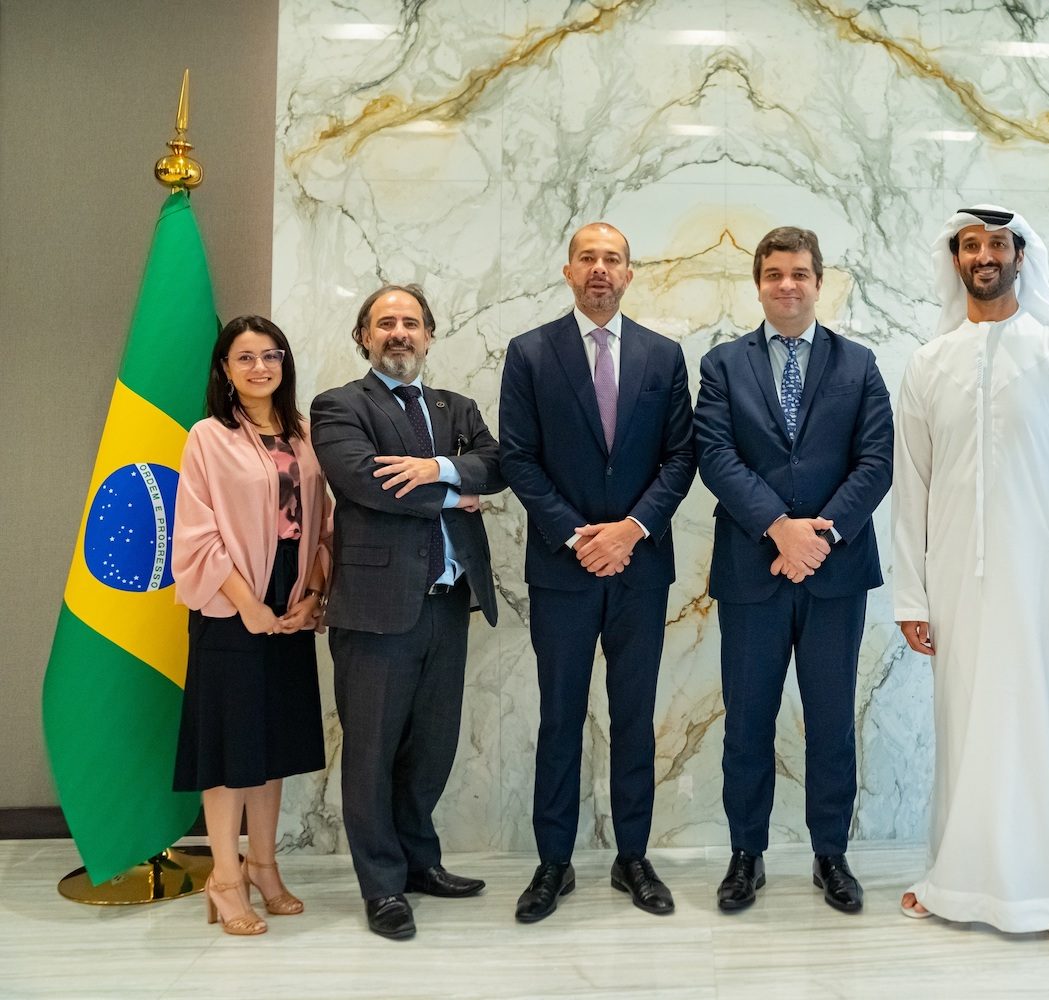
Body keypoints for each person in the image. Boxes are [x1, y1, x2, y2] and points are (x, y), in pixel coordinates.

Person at [890, 205, 1049, 942]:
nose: (983, 255)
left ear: (1022, 255)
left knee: (1038, 730)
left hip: (1043, 587)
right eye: (969, 245)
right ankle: (952, 879)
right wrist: (912, 595)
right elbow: (911, 486)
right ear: (955, 259)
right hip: (956, 581)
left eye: (997, 244)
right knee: (963, 730)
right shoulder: (929, 361)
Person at [498, 222, 696, 923]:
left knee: (634, 718)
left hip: (640, 569)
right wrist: (578, 535)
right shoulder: (529, 353)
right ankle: (553, 863)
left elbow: (681, 459)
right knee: (559, 717)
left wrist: (631, 530)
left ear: (631, 272)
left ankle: (632, 857)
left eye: (614, 258)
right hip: (564, 568)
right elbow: (518, 458)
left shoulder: (663, 356)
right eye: (589, 258)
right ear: (568, 270)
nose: (601, 269)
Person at [695, 226, 893, 914]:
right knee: (747, 722)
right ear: (759, 283)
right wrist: (779, 528)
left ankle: (830, 853)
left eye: (800, 273)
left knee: (832, 721)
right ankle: (745, 855)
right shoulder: (722, 365)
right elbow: (715, 454)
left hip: (835, 575)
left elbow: (876, 462)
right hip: (753, 570)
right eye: (775, 273)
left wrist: (822, 534)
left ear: (819, 280)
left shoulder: (859, 363)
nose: (788, 284)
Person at [310, 284, 506, 941]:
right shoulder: (340, 405)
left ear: (430, 334)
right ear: (364, 337)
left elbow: (497, 464)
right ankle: (383, 887)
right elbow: (363, 481)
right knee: (371, 752)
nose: (400, 332)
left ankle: (421, 862)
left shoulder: (457, 407)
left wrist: (439, 467)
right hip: (374, 610)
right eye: (385, 323)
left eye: (411, 323)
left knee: (431, 748)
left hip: (448, 605)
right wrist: (454, 497)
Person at [173, 314, 332, 936]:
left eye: (271, 355)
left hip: (292, 595)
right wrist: (248, 603)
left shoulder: (305, 432)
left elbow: (323, 525)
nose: (260, 367)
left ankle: (265, 866)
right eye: (246, 358)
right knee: (229, 748)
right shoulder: (207, 437)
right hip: (230, 601)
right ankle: (225, 877)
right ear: (225, 370)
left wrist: (314, 592)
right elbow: (198, 530)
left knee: (273, 745)